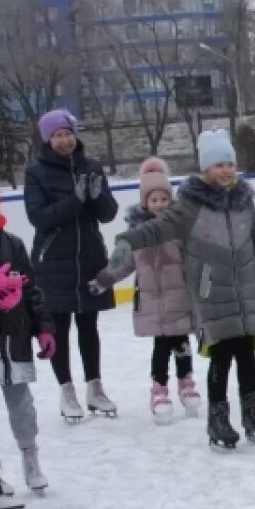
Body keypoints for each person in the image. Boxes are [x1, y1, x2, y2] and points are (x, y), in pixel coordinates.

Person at [93, 130, 255, 450]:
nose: (226, 170)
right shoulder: (191, 205)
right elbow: (158, 228)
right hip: (212, 292)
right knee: (221, 356)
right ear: (205, 168)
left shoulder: (244, 201)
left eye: (230, 163)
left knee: (248, 355)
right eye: (219, 164)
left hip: (244, 291)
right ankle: (218, 419)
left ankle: (253, 413)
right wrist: (128, 240)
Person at [24, 109, 119, 422]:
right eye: (57, 135)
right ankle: (66, 391)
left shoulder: (91, 167)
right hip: (53, 261)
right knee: (59, 327)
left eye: (68, 134)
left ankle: (95, 388)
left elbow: (108, 214)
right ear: (47, 139)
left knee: (89, 325)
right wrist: (74, 201)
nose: (64, 140)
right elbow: (38, 217)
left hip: (89, 258)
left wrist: (96, 198)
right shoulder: (36, 173)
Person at [94, 158, 202, 423]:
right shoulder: (137, 233)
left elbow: (195, 259)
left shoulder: (180, 229)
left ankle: (186, 382)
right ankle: (159, 388)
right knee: (162, 347)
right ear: (145, 203)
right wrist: (105, 279)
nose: (160, 204)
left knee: (182, 344)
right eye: (154, 200)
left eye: (164, 199)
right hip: (153, 302)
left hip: (180, 299)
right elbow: (125, 263)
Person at [0, 182, 55, 494]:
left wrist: (44, 327)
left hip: (14, 342)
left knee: (22, 406)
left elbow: (31, 289)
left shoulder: (13, 244)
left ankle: (30, 457)